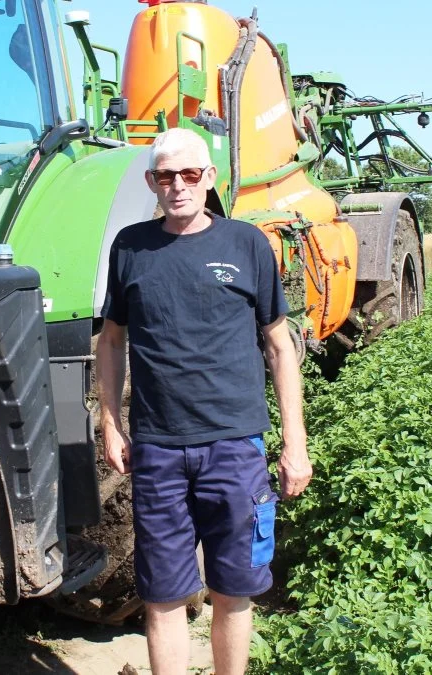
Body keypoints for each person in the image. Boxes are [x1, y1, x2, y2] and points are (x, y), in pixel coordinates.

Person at [95, 127, 313, 675]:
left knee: (233, 588)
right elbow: (113, 339)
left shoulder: (246, 244)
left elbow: (279, 345)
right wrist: (109, 421)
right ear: (152, 182)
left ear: (209, 177)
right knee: (163, 594)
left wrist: (295, 444)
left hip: (234, 445)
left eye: (189, 174)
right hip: (159, 450)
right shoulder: (131, 247)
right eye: (166, 177)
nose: (178, 186)